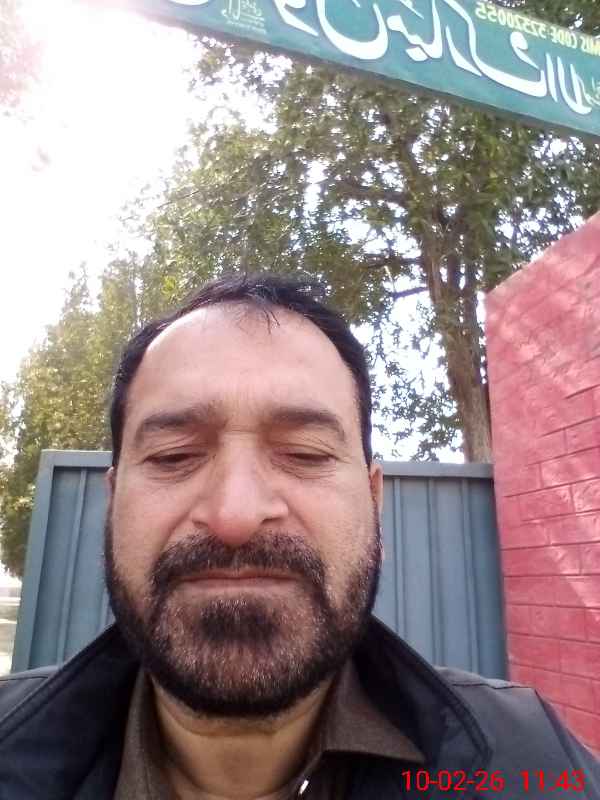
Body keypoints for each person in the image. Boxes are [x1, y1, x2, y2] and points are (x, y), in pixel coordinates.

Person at [0, 272, 598, 800]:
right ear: (113, 503)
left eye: (305, 453)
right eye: (174, 455)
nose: (236, 514)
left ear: (373, 501)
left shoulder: (531, 765)